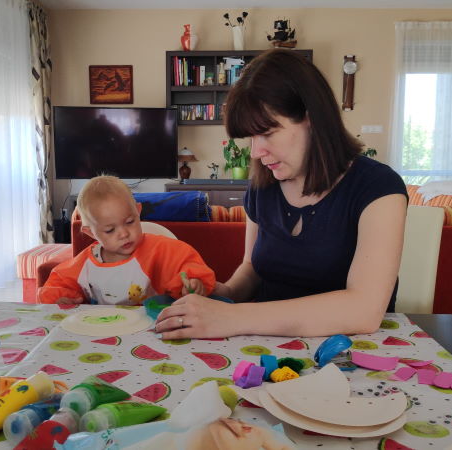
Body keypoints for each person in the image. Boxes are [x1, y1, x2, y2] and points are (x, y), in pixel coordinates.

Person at [155, 49, 408, 338]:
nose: (256, 152)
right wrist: (218, 295)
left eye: (267, 133)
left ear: (311, 118)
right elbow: (252, 268)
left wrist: (233, 316)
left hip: (351, 351)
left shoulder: (378, 187)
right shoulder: (263, 186)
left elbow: (364, 311)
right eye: (251, 137)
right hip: (266, 349)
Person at [38, 175, 215, 305]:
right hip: (103, 331)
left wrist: (194, 282)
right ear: (90, 233)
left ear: (138, 211)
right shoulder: (84, 264)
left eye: (130, 222)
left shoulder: (160, 249)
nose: (123, 234)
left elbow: (187, 263)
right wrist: (61, 298)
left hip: (153, 328)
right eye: (110, 230)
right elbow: (57, 284)